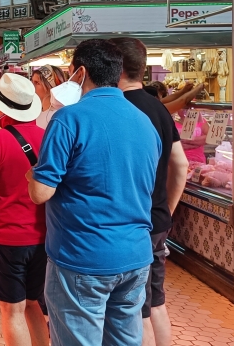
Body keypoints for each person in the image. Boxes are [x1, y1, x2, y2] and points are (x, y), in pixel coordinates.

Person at [28, 39, 160, 346]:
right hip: (136, 257)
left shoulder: (69, 119)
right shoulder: (144, 122)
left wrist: (31, 174)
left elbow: (41, 193)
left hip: (81, 257)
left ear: (80, 72)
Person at [111, 38, 190, 346]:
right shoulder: (157, 108)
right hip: (156, 220)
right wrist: (166, 211)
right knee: (156, 302)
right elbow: (180, 164)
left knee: (136, 311)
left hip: (128, 224)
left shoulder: (118, 108)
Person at [0, 73, 48, 346]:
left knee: (12, 309)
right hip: (44, 237)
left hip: (6, 238)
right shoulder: (49, 137)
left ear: (1, 107)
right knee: (34, 304)